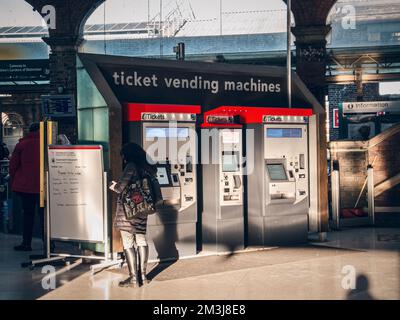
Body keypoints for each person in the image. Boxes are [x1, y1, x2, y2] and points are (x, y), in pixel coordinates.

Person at [110, 143, 158, 288]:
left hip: (128, 211)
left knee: (128, 241)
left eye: (123, 155)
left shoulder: (131, 166)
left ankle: (133, 279)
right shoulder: (148, 167)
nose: (123, 158)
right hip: (143, 210)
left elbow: (120, 188)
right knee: (141, 240)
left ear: (128, 155)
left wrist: (113, 185)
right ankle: (143, 276)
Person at [9, 123, 42, 251]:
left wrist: (14, 179)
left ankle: (26, 243)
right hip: (44, 186)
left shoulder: (22, 144)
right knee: (44, 215)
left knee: (28, 215)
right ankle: (48, 244)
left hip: (25, 186)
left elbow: (13, 166)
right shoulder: (47, 144)